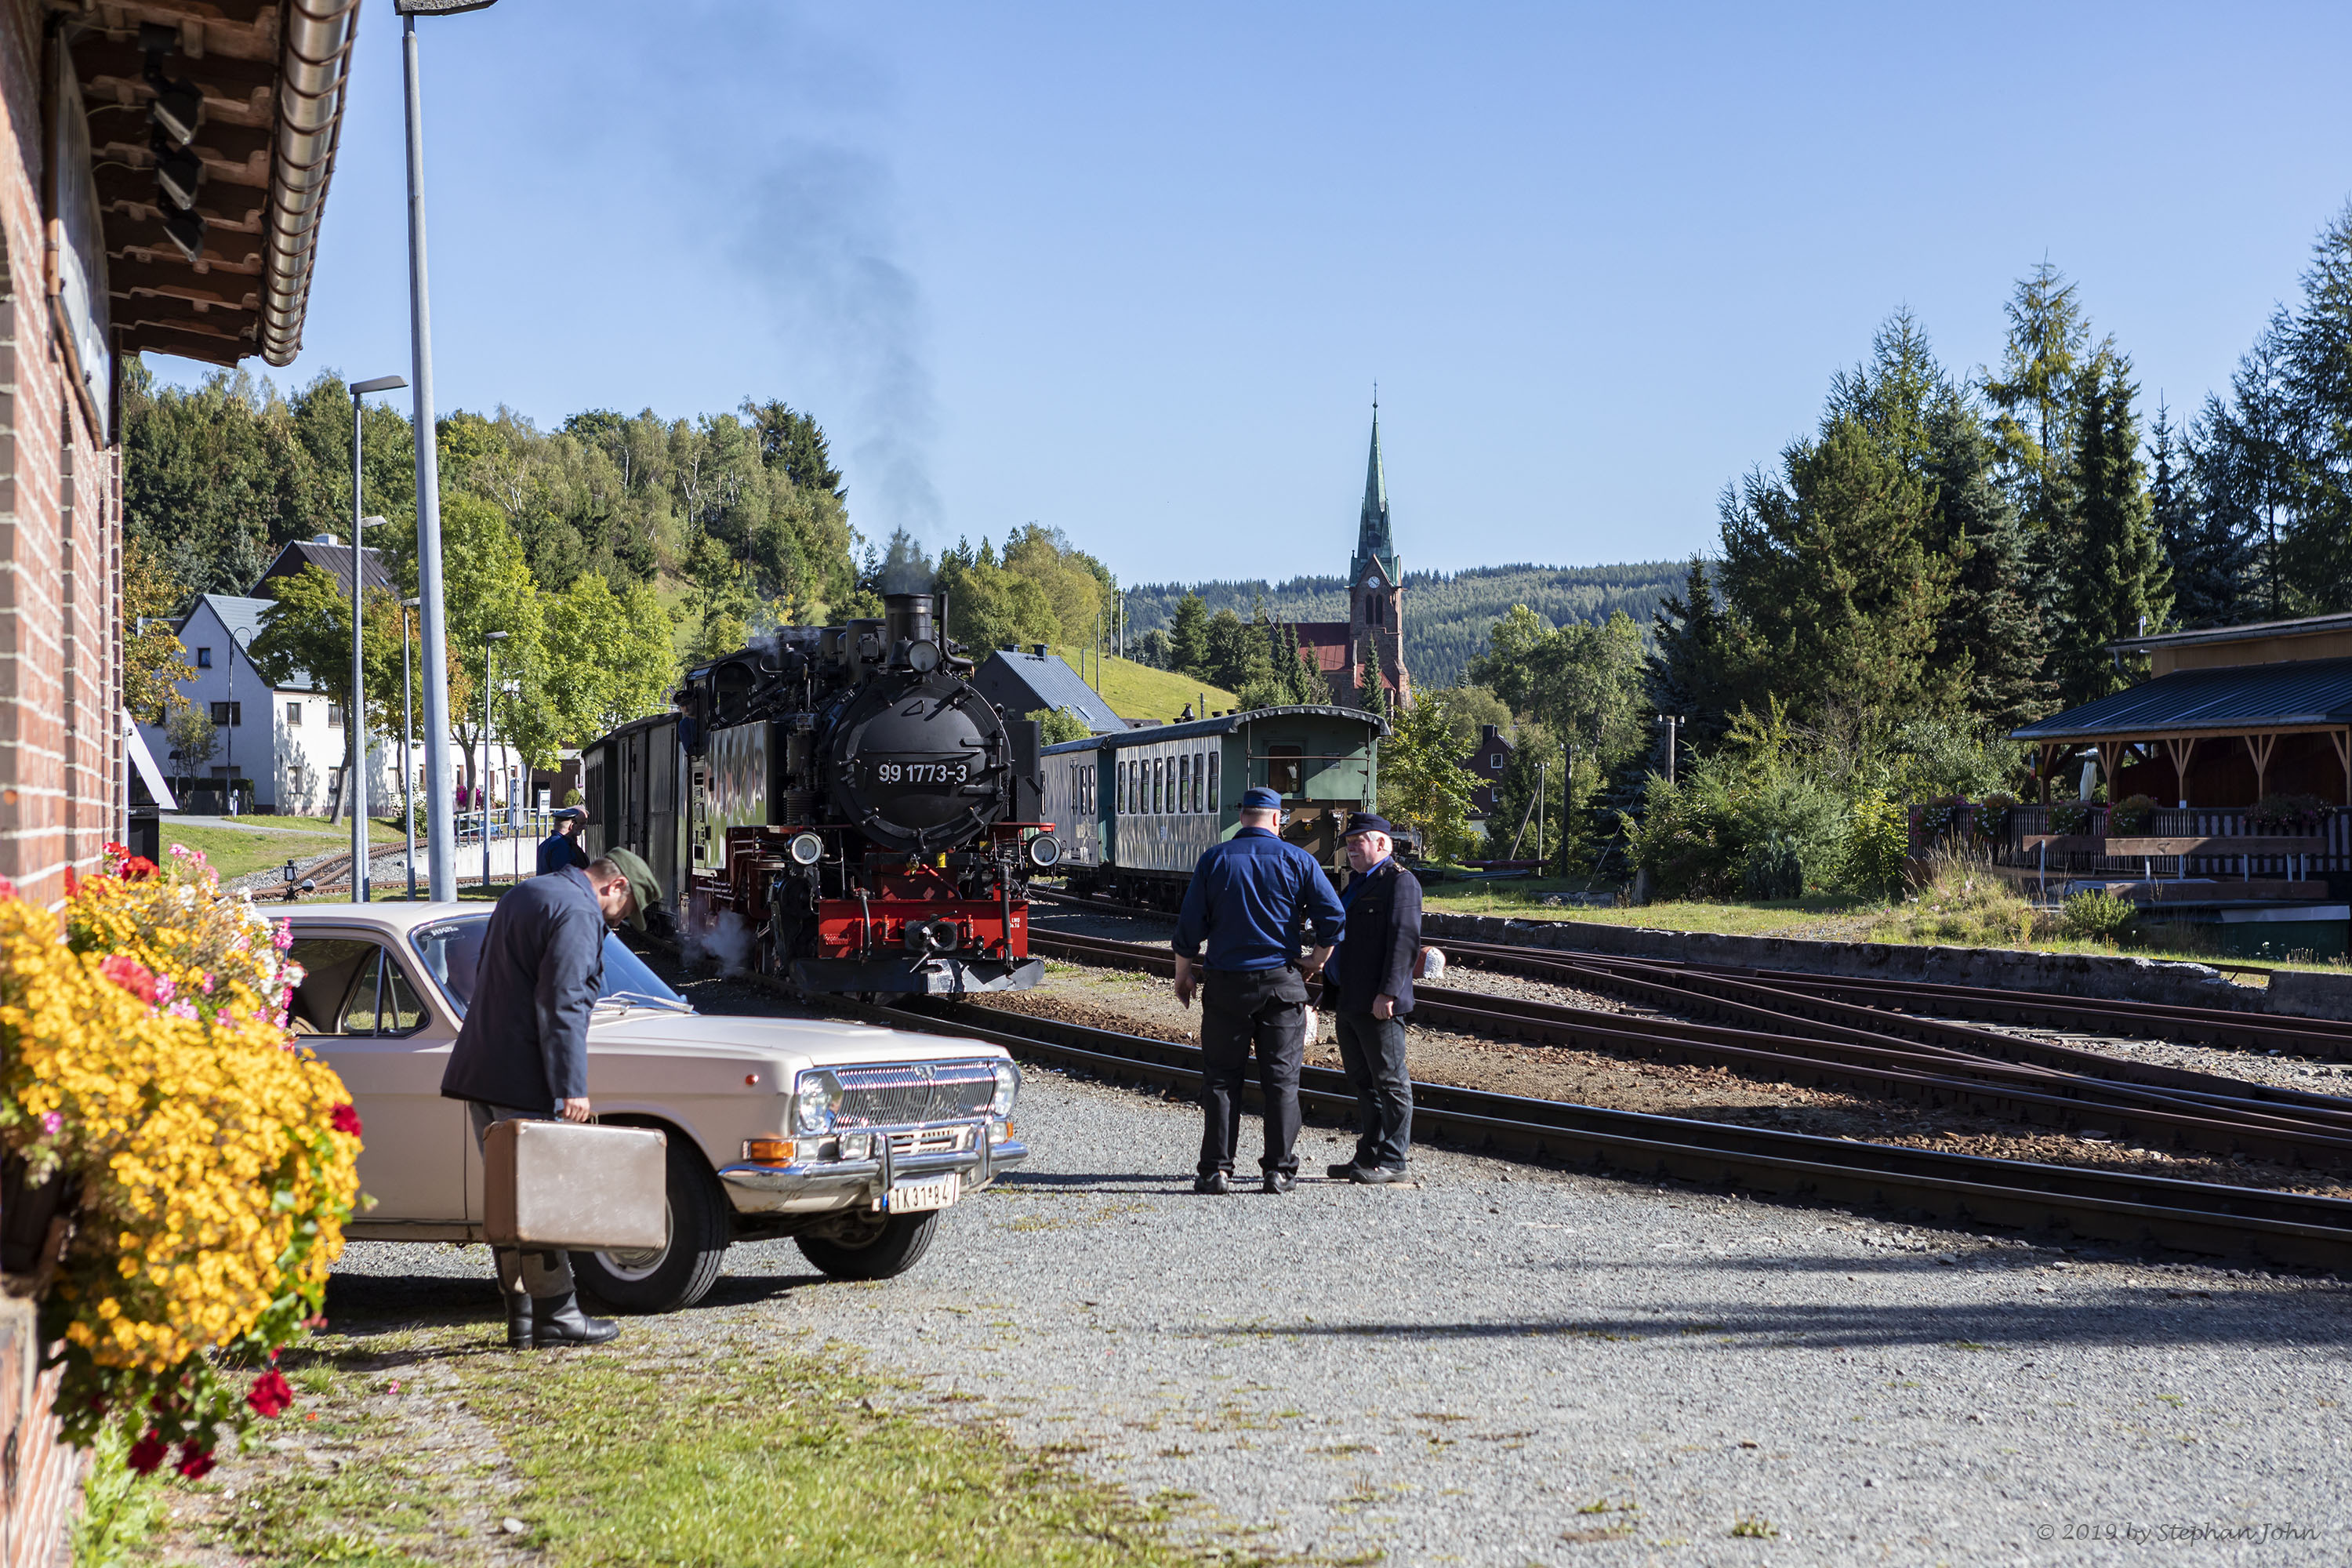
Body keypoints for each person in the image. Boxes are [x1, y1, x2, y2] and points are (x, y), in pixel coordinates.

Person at [438, 854, 653, 1348]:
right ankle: (558, 1315)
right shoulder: (579, 912)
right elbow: (565, 999)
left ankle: (522, 1316)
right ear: (614, 885)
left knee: (508, 1202)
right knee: (540, 1200)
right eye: (625, 909)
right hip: (526, 1078)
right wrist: (570, 1084)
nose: (618, 921)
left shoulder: (526, 893)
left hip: (481, 1071)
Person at [1172, 785, 1345, 1194]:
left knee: (1220, 1079)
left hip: (1226, 985)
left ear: (1243, 816)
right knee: (1283, 1081)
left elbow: (1189, 927)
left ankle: (1216, 1170)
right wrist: (1317, 961)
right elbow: (1333, 918)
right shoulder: (1298, 859)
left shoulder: (1214, 859)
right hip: (1281, 987)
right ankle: (1279, 1171)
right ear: (1275, 819)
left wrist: (1183, 974)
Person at [1324, 812, 1421, 1184]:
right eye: (1348, 842)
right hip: (1348, 999)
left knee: (1391, 1081)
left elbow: (1404, 941)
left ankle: (1394, 1160)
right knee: (1363, 1083)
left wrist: (1389, 992)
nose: (1350, 847)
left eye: (1358, 841)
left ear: (1383, 843)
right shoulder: (1355, 883)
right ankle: (1368, 1154)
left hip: (1377, 1001)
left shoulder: (1400, 883)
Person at [536, 807, 590, 876]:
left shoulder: (546, 844)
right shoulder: (561, 846)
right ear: (572, 825)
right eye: (582, 823)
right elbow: (564, 877)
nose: (584, 827)